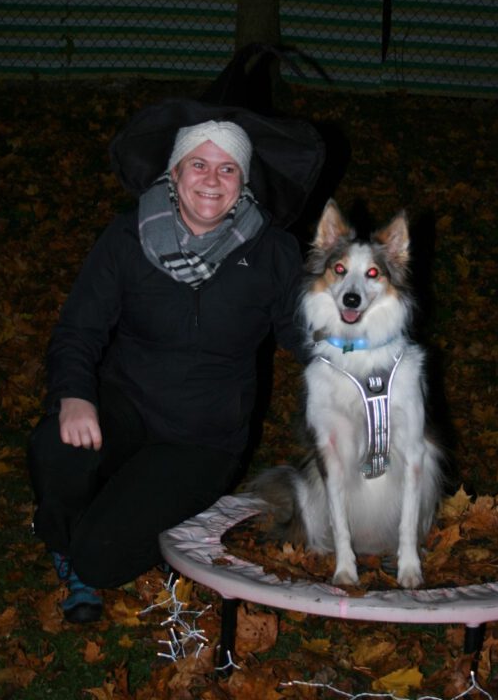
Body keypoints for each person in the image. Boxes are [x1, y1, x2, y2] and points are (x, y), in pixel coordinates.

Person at [28, 98, 324, 623]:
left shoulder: (272, 251)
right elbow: (79, 329)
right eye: (199, 164)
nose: (213, 180)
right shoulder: (127, 237)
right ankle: (63, 539)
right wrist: (75, 395)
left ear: (244, 179)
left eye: (228, 167)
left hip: (203, 437)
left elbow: (305, 338)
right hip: (124, 406)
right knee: (56, 444)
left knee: (102, 558)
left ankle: (114, 542)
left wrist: (358, 377)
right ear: (175, 171)